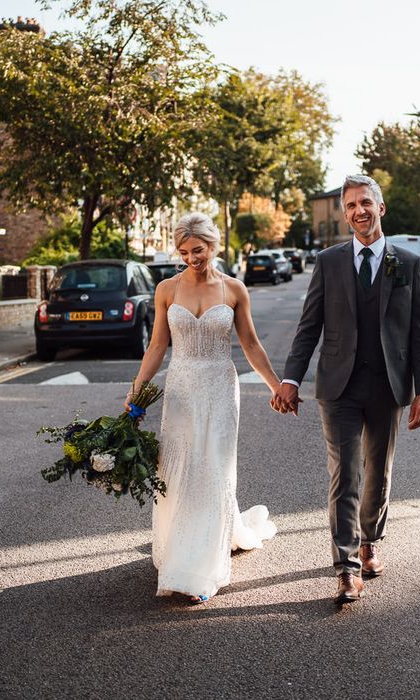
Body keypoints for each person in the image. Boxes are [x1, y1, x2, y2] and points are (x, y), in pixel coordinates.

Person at [272, 174, 420, 605]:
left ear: (380, 208)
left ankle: (368, 542)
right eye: (350, 206)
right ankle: (345, 568)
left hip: (388, 385)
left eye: (365, 203)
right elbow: (309, 327)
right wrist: (290, 378)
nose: (359, 211)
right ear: (345, 215)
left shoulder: (409, 263)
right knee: (344, 474)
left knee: (377, 474)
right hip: (338, 386)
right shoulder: (327, 262)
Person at [126, 212, 280, 604]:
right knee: (179, 471)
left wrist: (277, 387)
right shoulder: (166, 289)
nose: (191, 257)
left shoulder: (233, 290)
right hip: (180, 390)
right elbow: (158, 346)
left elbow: (251, 346)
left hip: (219, 387)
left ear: (213, 246)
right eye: (184, 252)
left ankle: (200, 568)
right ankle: (181, 549)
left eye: (198, 250)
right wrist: (137, 390)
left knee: (213, 469)